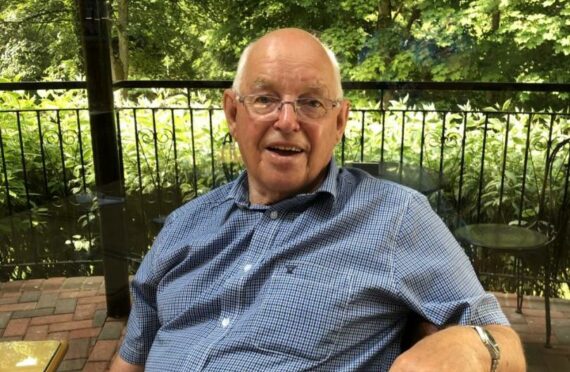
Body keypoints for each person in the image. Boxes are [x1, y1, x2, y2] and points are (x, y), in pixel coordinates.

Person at [111, 28, 525, 371]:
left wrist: (470, 347)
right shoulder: (185, 224)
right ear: (233, 113)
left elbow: (504, 344)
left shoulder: (395, 217)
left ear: (340, 120)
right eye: (264, 99)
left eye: (311, 103)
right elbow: (131, 359)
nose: (287, 121)